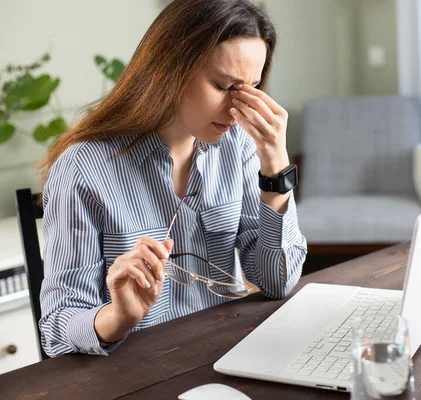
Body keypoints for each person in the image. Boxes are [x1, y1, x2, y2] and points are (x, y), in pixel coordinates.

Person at [37, 0, 307, 357]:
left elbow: (277, 283)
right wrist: (117, 317)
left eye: (251, 87)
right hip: (137, 375)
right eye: (224, 86)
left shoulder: (240, 147)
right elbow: (57, 329)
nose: (238, 107)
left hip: (225, 356)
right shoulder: (84, 169)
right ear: (170, 70)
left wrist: (275, 167)